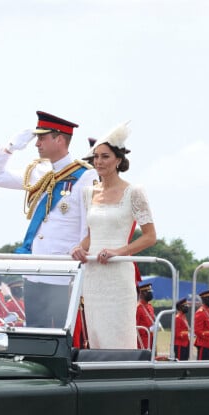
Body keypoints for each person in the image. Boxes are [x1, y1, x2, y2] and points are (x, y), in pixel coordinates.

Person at [0, 111, 98, 327]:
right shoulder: (40, 172)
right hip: (34, 269)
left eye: (42, 138)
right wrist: (10, 147)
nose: (37, 144)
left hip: (62, 272)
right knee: (35, 334)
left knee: (60, 336)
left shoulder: (85, 175)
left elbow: (88, 225)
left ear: (59, 139)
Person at [71, 122, 157, 349]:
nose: (98, 162)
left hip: (118, 273)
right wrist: (79, 248)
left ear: (118, 159)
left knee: (118, 336)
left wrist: (118, 252)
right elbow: (91, 235)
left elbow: (150, 237)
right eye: (95, 157)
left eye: (105, 156)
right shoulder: (88, 192)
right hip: (93, 273)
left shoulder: (134, 192)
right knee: (96, 335)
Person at [194, 289, 209, 360]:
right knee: (201, 367)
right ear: (205, 299)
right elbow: (197, 331)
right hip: (204, 345)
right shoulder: (200, 312)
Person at [136, 283, 156, 350]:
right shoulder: (138, 308)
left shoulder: (150, 307)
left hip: (152, 339)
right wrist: (147, 330)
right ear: (141, 294)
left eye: (150, 292)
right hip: (143, 341)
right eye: (148, 292)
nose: (150, 294)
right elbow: (135, 327)